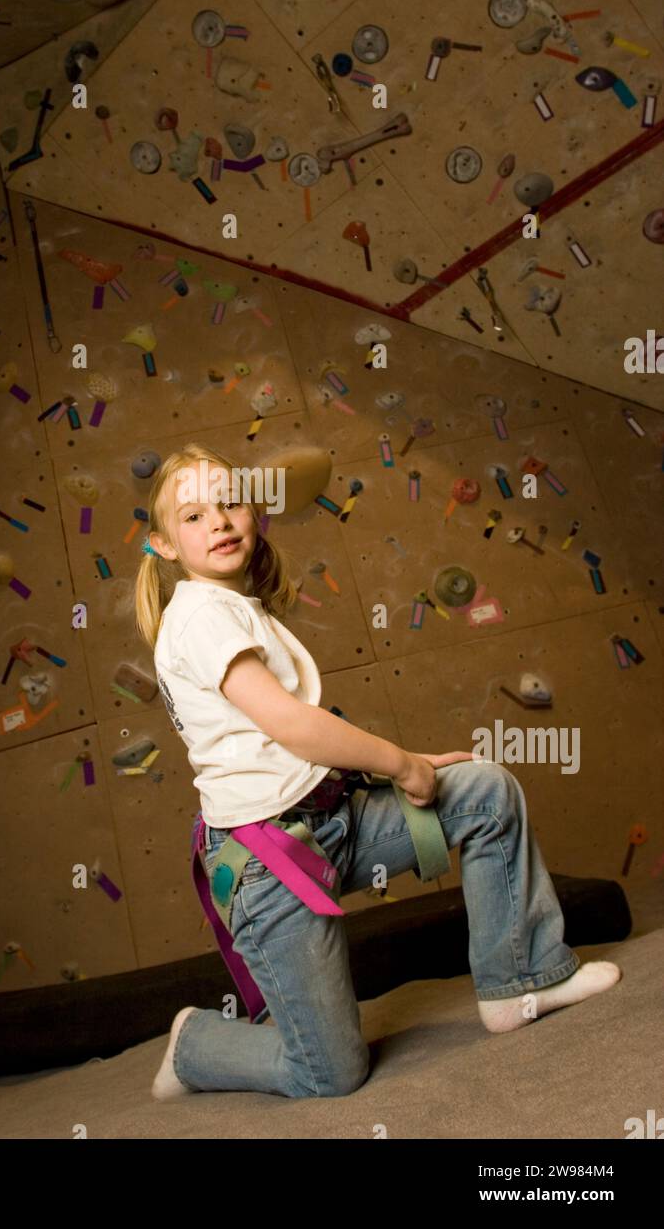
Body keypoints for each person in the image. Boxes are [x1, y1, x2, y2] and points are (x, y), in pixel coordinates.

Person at [134, 442, 621, 1099]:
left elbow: (282, 752)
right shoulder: (198, 615)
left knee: (484, 795)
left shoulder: (231, 605)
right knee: (329, 1072)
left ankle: (520, 982)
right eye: (192, 517)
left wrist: (407, 769)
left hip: (330, 822)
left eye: (229, 504)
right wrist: (399, 761)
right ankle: (196, 1043)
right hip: (271, 868)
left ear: (255, 513)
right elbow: (291, 724)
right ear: (164, 544)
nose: (217, 522)